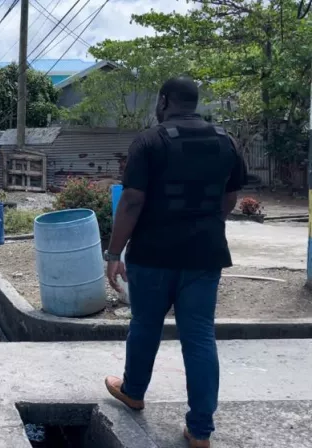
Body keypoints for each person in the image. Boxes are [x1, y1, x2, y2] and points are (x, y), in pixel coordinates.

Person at [102, 78, 247, 448]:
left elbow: (132, 201)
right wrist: (209, 227)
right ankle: (200, 430)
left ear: (164, 102)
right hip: (204, 254)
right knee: (199, 336)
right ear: (194, 103)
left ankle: (133, 391)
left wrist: (114, 253)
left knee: (146, 325)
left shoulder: (150, 141)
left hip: (153, 254)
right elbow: (230, 196)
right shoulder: (226, 140)